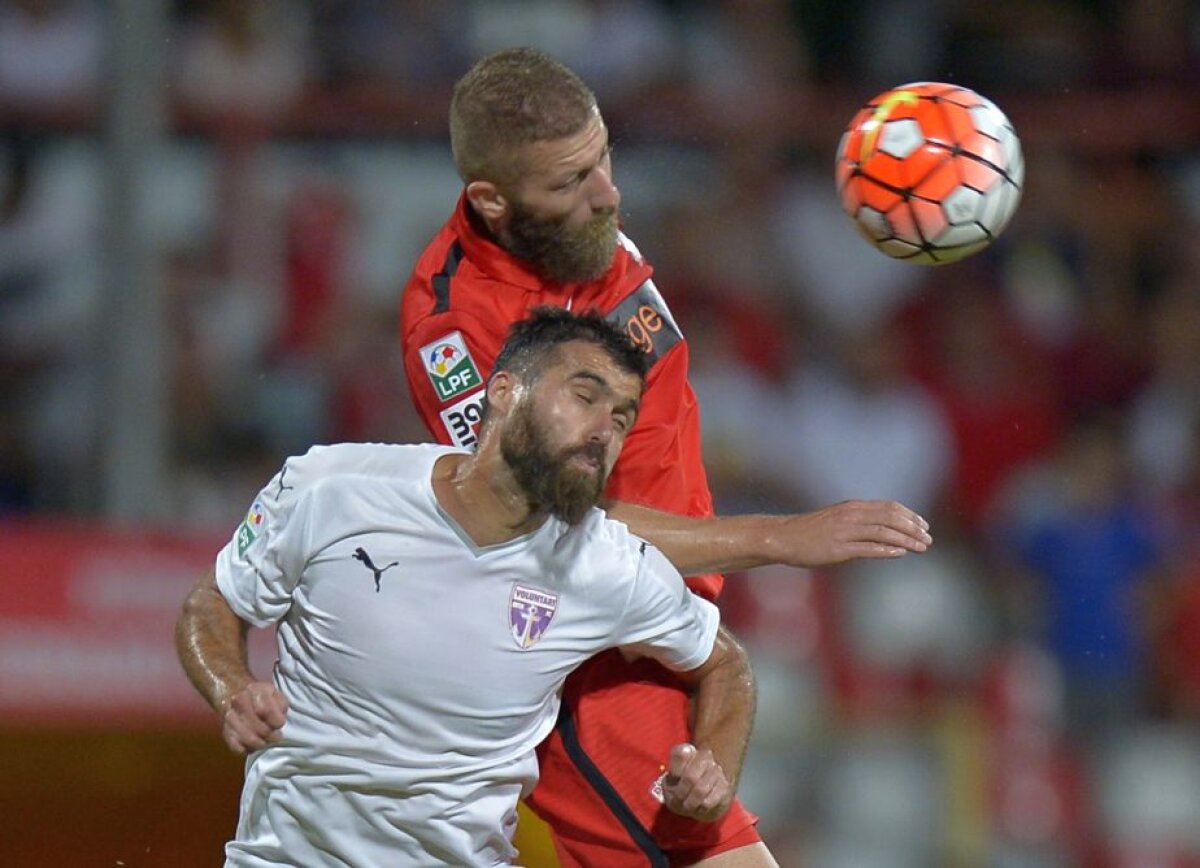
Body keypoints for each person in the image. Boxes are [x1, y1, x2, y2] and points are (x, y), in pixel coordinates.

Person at [398, 48, 932, 867]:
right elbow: (547, 529)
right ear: (492, 201)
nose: (607, 191)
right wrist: (781, 540)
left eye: (603, 156)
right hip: (588, 662)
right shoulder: (456, 331)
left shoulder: (585, 238)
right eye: (572, 181)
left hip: (668, 619)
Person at [178, 308, 932, 865]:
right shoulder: (332, 486)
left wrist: (714, 763)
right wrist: (231, 686)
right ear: (501, 393)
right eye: (584, 395)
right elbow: (212, 603)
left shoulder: (603, 565)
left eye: (623, 414)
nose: (607, 427)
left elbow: (724, 662)